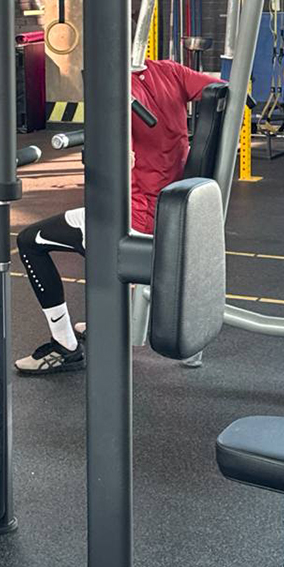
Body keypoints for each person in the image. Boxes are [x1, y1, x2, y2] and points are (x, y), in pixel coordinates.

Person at [15, 57, 217, 374]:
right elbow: (220, 90)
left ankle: (64, 346)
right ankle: (107, 320)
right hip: (175, 216)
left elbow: (116, 161)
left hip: (134, 220)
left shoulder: (113, 87)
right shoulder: (171, 71)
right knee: (89, 227)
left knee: (30, 241)